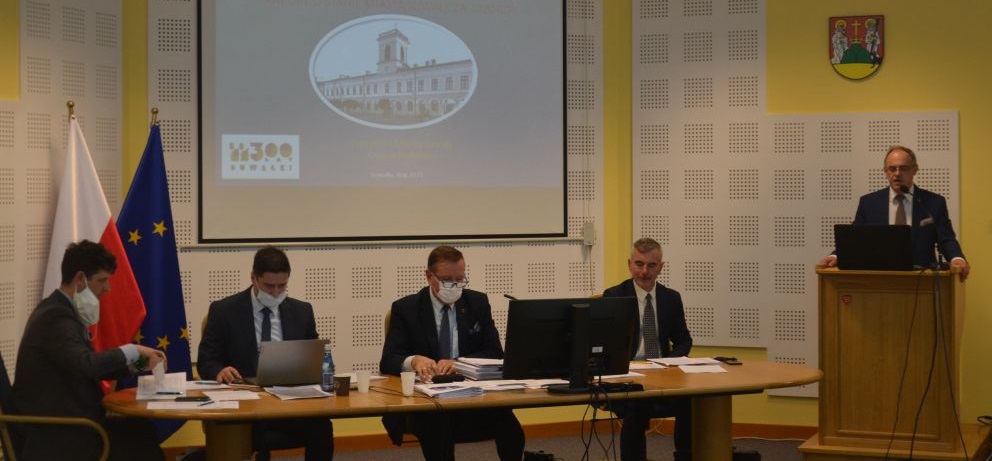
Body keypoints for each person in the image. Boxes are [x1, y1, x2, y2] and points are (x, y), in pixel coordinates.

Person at [10, 240, 166, 461]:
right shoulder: (55, 317)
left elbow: (90, 367)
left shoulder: (62, 311)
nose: (107, 288)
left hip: (70, 424)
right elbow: (87, 365)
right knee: (142, 448)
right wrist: (133, 349)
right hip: (57, 433)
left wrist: (141, 363)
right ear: (80, 278)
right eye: (102, 280)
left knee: (143, 429)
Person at [380, 245, 525, 461]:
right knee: (436, 426)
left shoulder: (477, 303)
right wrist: (414, 360)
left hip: (473, 395)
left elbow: (495, 352)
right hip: (427, 402)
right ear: (429, 276)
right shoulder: (406, 309)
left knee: (509, 426)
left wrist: (459, 363)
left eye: (460, 279)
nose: (454, 286)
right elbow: (389, 360)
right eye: (447, 280)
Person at [197, 246, 333, 461]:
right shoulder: (224, 311)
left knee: (321, 426)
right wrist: (219, 370)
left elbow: (313, 357)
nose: (276, 293)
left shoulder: (302, 311)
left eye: (282, 286)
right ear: (254, 278)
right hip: (245, 404)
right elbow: (207, 360)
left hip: (290, 401)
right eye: (269, 286)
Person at [819, 145, 970, 281]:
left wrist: (957, 258)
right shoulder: (869, 203)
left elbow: (946, 239)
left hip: (921, 281)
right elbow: (855, 238)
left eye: (903, 168)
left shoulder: (933, 203)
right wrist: (836, 255)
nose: (897, 173)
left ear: (915, 170)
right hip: (879, 280)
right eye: (892, 169)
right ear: (885, 171)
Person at [603, 238, 693, 461]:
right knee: (637, 401)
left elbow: (684, 341)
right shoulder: (614, 296)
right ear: (629, 264)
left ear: (661, 267)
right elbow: (605, 345)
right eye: (639, 264)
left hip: (663, 373)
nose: (644, 271)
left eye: (651, 265)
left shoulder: (671, 298)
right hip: (627, 375)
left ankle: (685, 456)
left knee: (692, 400)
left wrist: (666, 364)